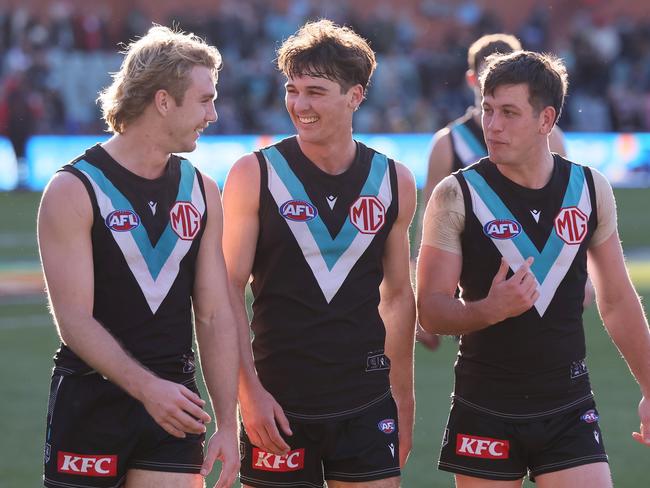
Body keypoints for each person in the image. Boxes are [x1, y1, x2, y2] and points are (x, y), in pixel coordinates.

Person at [417, 50, 650, 487]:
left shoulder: (589, 188)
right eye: (487, 110)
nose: (492, 125)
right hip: (484, 406)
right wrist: (489, 309)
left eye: (509, 113)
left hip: (568, 404)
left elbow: (617, 300)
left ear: (546, 120)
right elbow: (429, 309)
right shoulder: (455, 194)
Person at [38, 25, 239, 488]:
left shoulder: (203, 191)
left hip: (174, 409)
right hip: (91, 401)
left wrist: (228, 423)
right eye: (205, 99)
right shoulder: (73, 189)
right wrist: (150, 391)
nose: (214, 114)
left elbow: (214, 315)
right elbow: (74, 321)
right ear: (163, 101)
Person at [222, 19, 416, 488]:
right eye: (292, 90)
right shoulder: (255, 174)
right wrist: (248, 394)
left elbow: (397, 296)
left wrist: (403, 400)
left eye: (315, 91)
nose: (299, 105)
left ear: (355, 95)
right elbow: (224, 291)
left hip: (367, 401)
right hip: (278, 402)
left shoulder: (394, 181)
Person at [416, 34, 569, 351]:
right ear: (473, 78)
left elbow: (567, 211)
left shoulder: (550, 137)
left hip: (537, 272)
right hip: (474, 277)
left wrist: (582, 282)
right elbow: (428, 224)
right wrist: (424, 294)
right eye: (491, 73)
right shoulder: (448, 143)